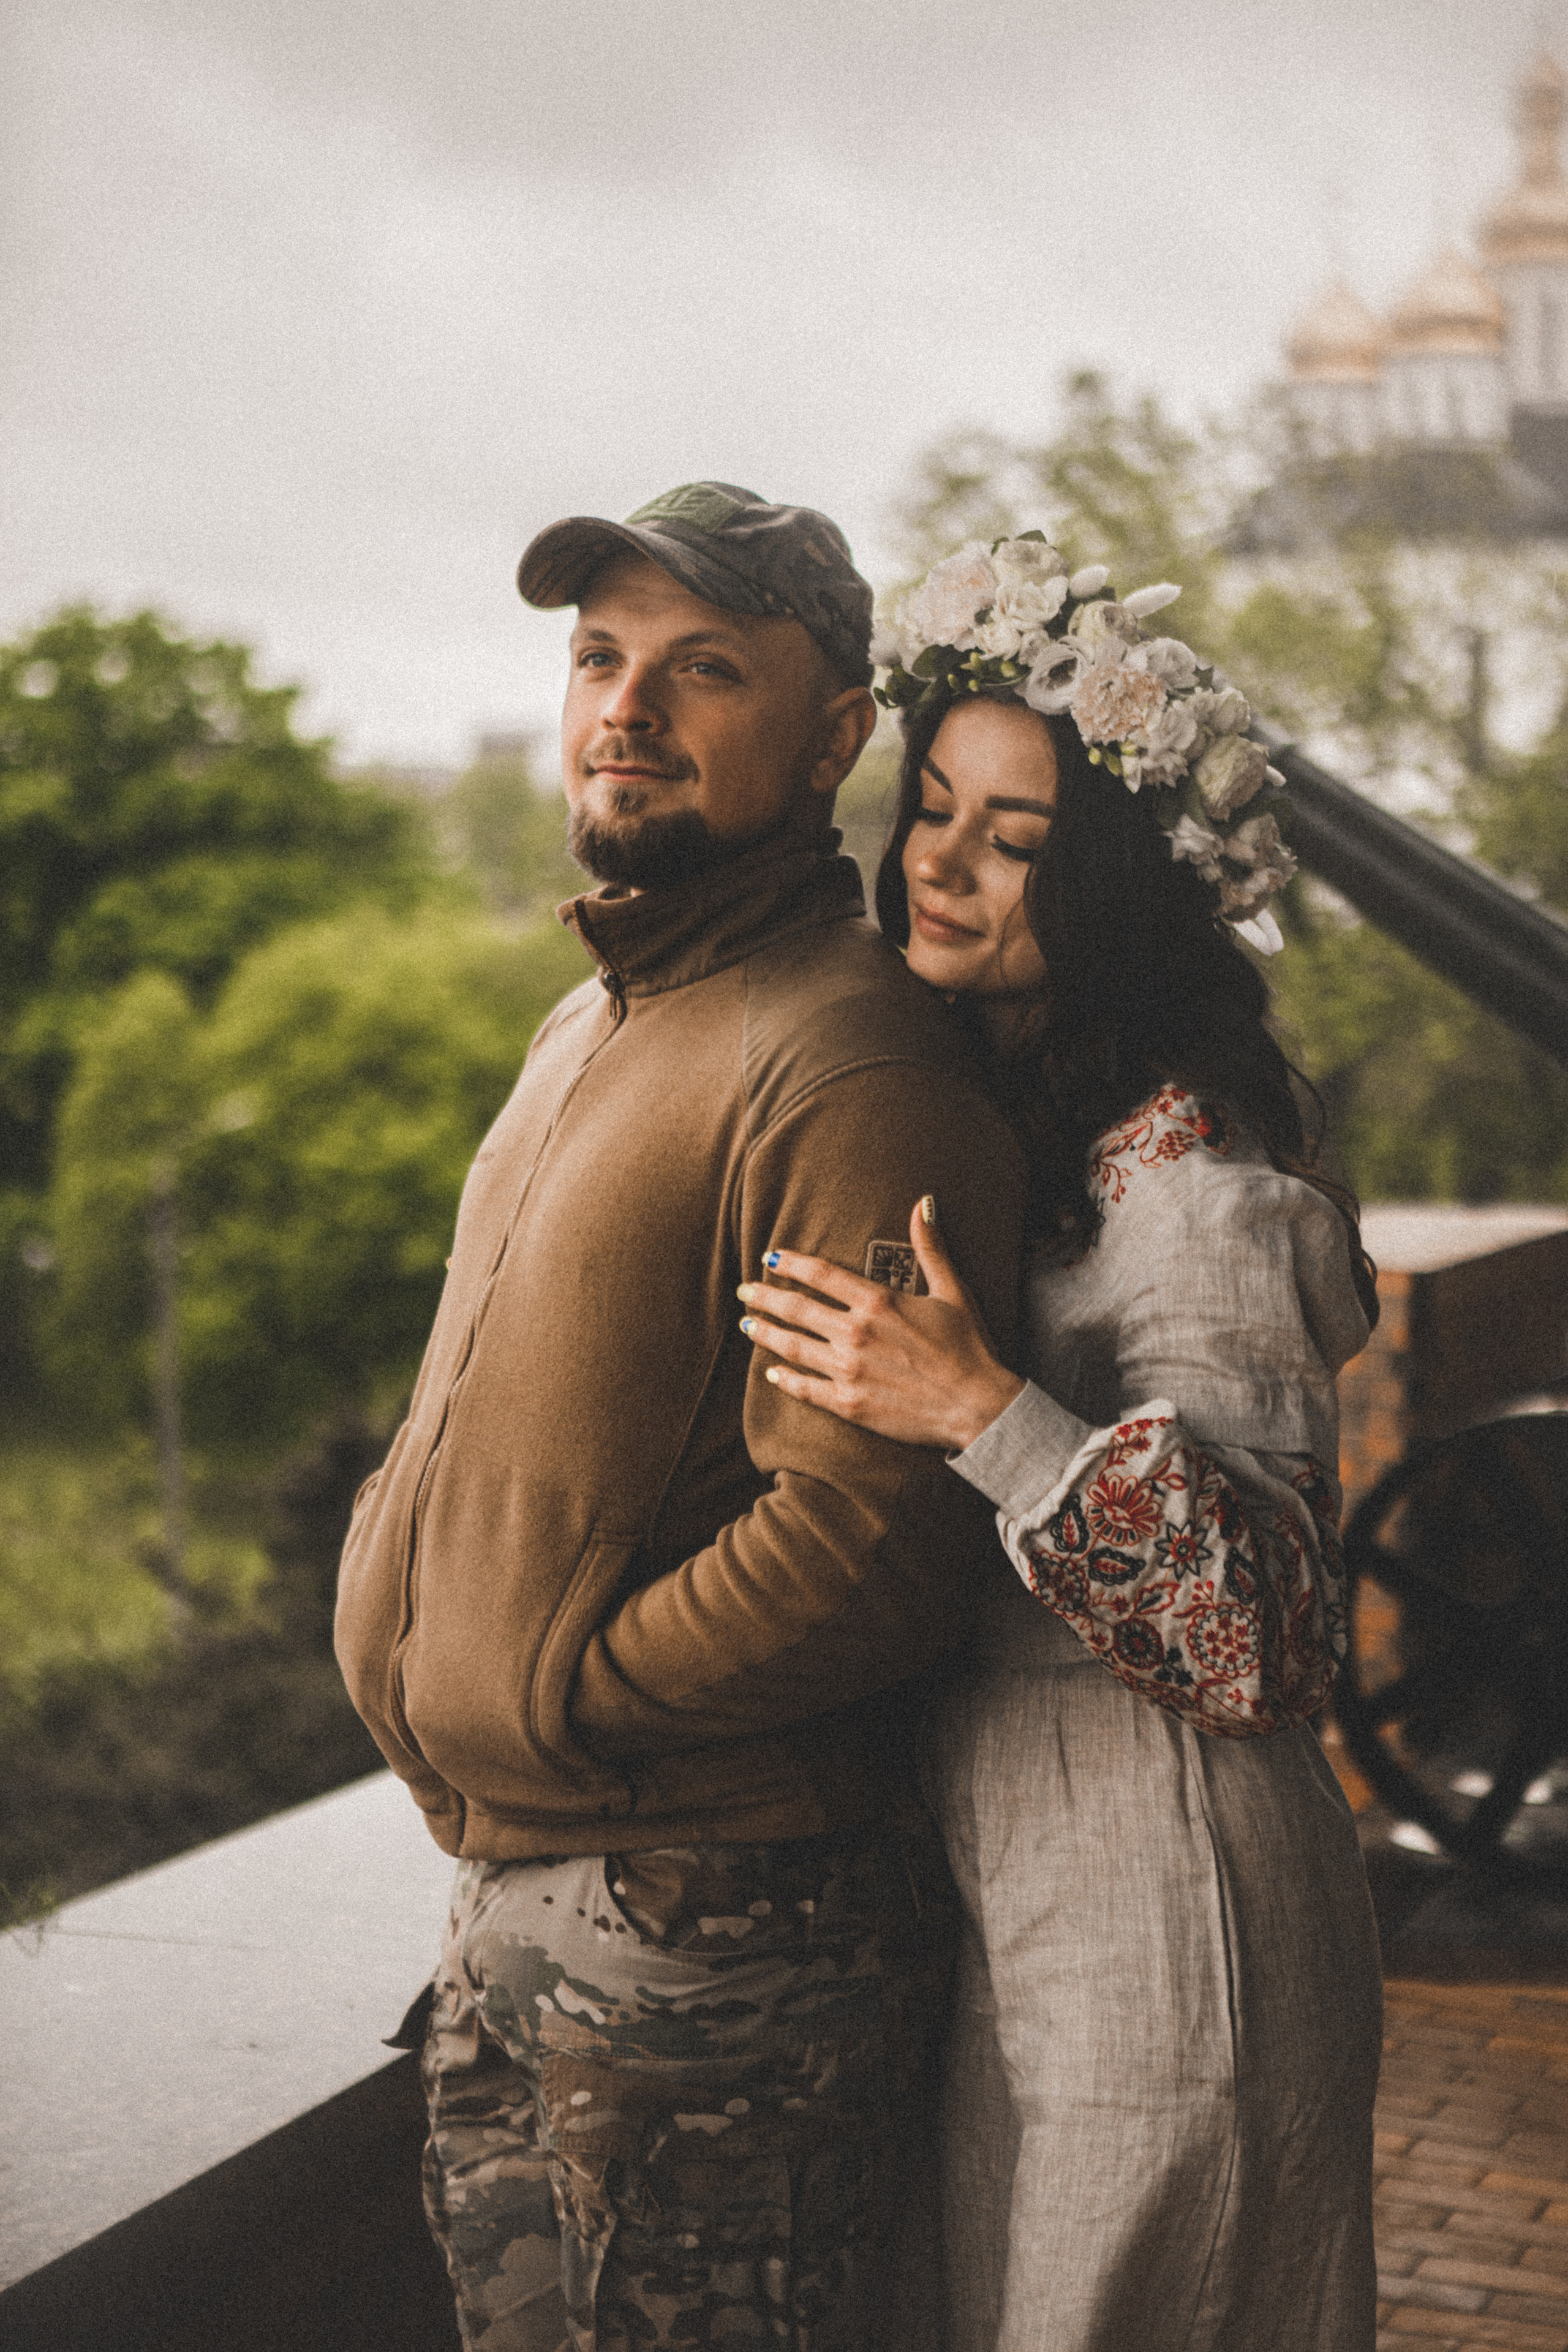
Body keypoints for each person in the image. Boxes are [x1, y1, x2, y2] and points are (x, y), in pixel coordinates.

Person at [334, 484, 1027, 2352]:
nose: (625, 709)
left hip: (718, 1943)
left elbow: (872, 1547)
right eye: (598, 658)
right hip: (521, 1894)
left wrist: (560, 1693)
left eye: (702, 669)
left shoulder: (850, 1060)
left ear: (832, 736)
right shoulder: (596, 1021)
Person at [736, 536, 1385, 2352]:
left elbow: (1270, 1637)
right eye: (934, 809)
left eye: (1013, 840)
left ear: (1108, 890)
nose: (939, 864)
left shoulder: (1196, 1189)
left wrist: (982, 1413)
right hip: (1018, 1880)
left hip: (1180, 1912)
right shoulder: (1011, 1119)